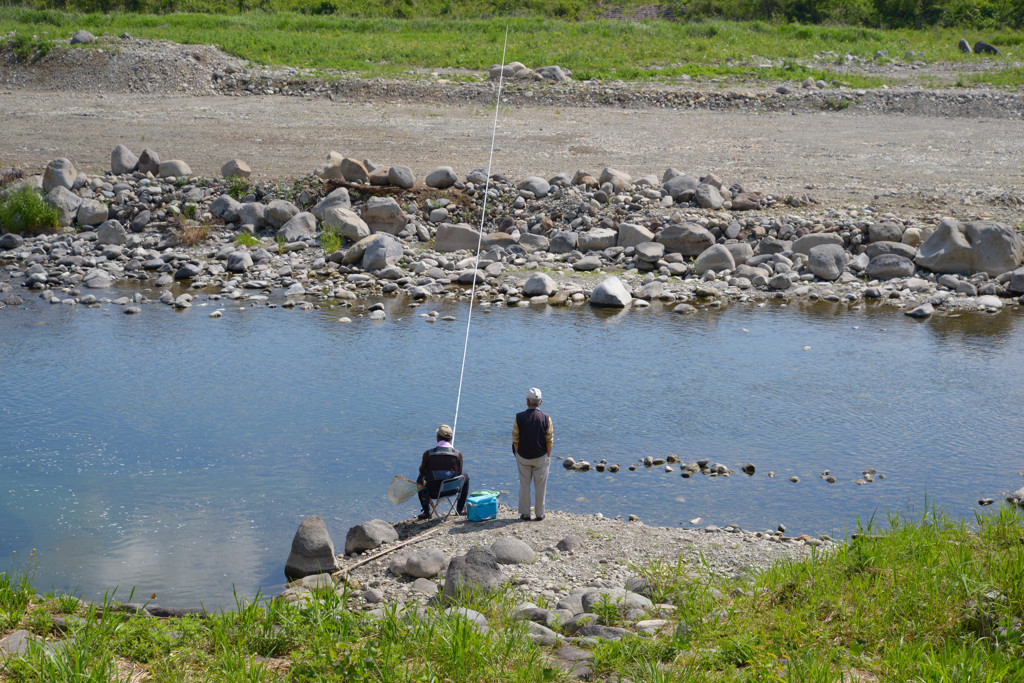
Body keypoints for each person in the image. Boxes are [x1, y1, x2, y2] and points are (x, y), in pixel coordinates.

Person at [512, 387, 553, 521]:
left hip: (523, 456)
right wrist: (548, 455)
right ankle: (540, 513)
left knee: (524, 484)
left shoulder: (519, 417)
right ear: (540, 402)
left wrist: (517, 453)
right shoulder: (546, 418)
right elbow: (549, 440)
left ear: (527, 402)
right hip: (541, 456)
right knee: (540, 485)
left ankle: (525, 513)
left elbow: (515, 438)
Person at [417, 424, 469, 520]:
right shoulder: (458, 454)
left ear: (437, 437)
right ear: (451, 438)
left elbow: (422, 471)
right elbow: (459, 473)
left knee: (420, 478)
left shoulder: (428, 454)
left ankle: (427, 512)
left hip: (433, 493)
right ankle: (460, 509)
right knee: (465, 476)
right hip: (452, 490)